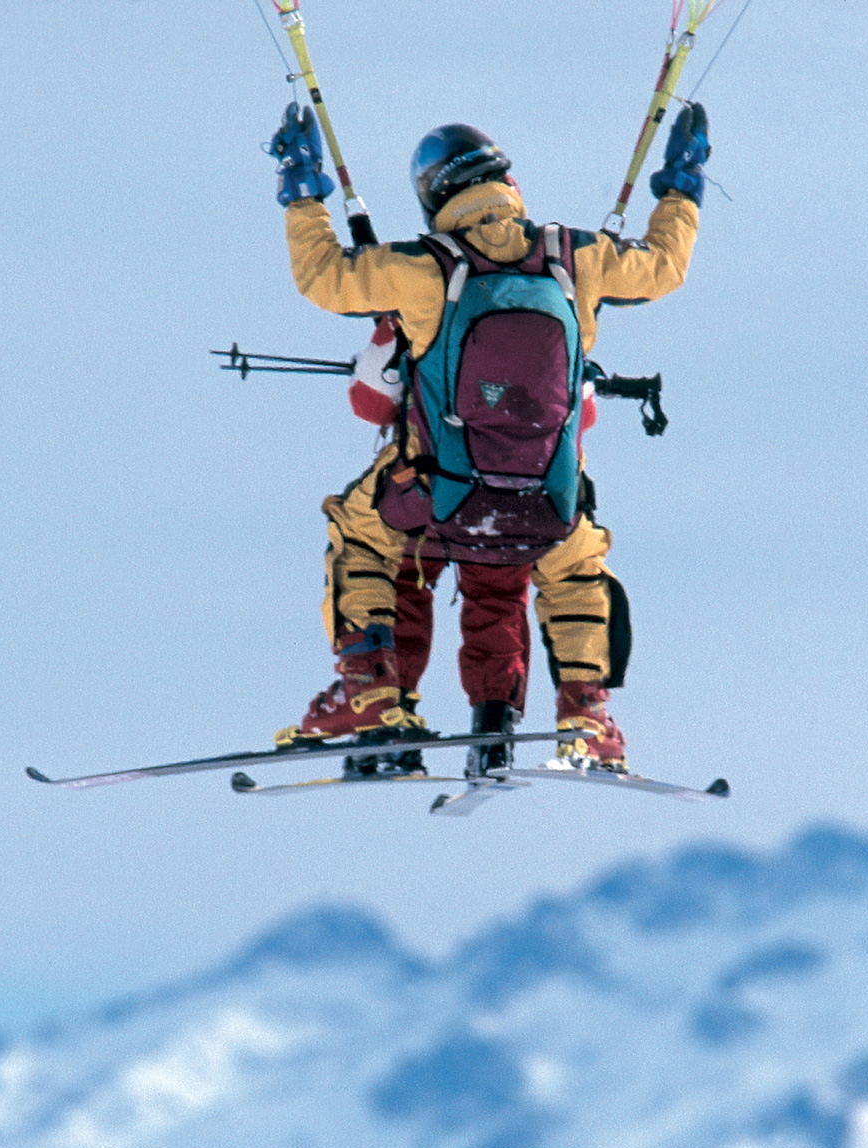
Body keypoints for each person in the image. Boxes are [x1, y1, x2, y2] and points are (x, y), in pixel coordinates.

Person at [267, 107, 710, 773]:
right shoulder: (574, 257)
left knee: (357, 533)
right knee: (576, 565)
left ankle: (371, 693)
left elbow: (324, 276)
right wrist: (681, 188)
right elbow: (664, 267)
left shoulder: (425, 267)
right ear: (506, 179)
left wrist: (302, 192)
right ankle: (585, 713)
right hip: (547, 504)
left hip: (440, 496)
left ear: (434, 197)